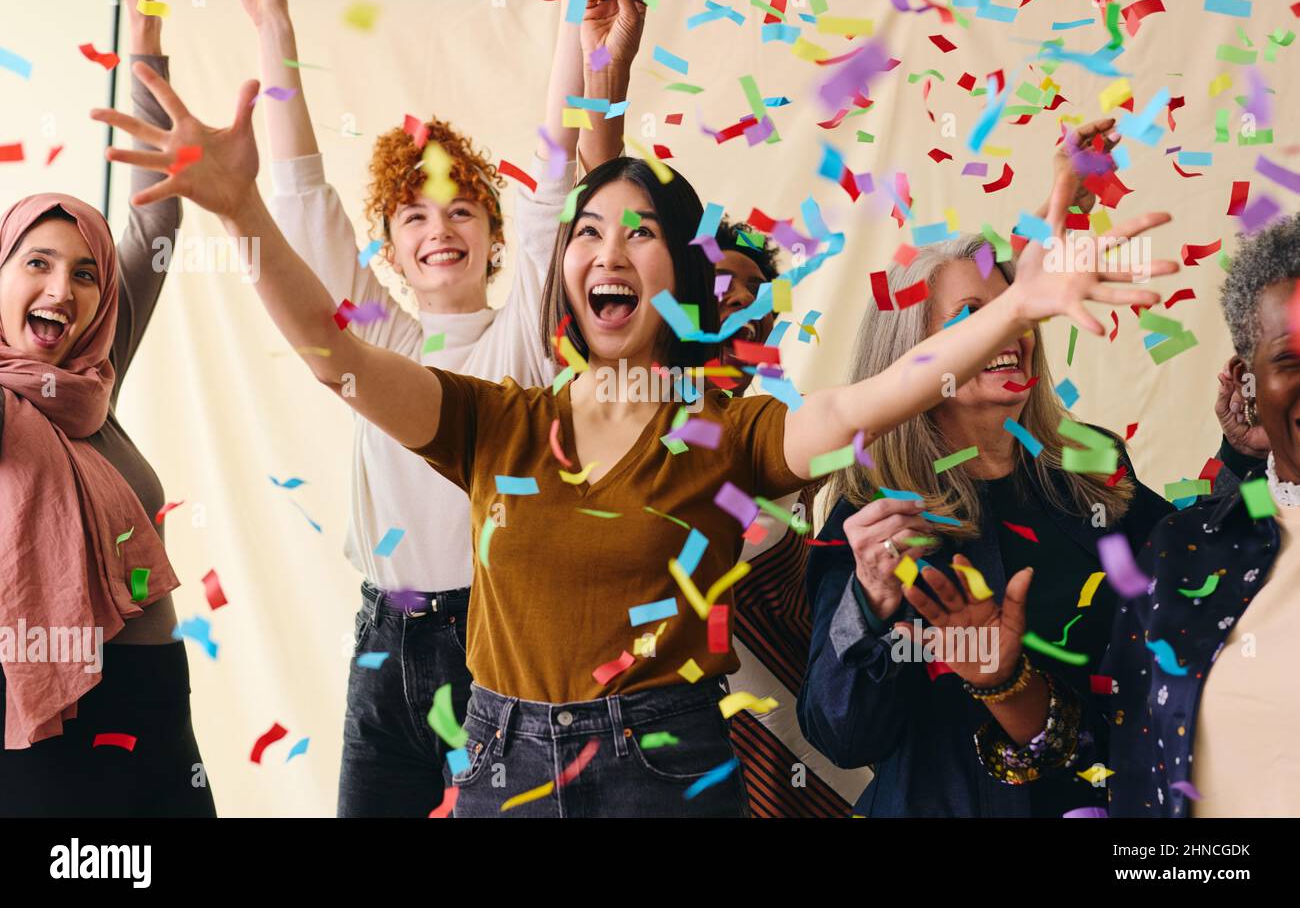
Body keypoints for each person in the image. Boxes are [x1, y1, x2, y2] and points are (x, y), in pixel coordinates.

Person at [92, 45, 1178, 815]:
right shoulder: (495, 420)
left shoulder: (723, 428)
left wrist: (1017, 304)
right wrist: (240, 212)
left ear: (681, 279)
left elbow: (866, 400)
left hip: (660, 770)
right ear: (566, 274)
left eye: (642, 232)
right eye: (589, 230)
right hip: (502, 766)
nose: (608, 245)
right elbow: (341, 359)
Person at [223, 0, 644, 816]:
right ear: (389, 244)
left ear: (495, 235)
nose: (438, 228)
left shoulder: (524, 333)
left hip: (493, 645)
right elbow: (302, 201)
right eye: (414, 213)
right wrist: (274, 23)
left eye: (461, 209)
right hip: (382, 644)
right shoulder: (380, 341)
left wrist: (578, 12)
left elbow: (555, 165)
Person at [927, 212, 1300, 817]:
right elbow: (839, 728)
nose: (1005, 335)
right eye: (974, 317)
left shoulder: (1091, 463)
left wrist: (1241, 455)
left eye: (1014, 314)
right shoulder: (875, 518)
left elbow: (1210, 552)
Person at [0, 0, 214, 819]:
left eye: (86, 273)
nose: (63, 291)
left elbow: (158, 217)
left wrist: (148, 38)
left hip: (158, 702)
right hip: (48, 722)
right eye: (37, 264)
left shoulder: (93, 373)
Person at [712, 220, 870, 817]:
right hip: (676, 751)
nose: (737, 299)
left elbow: (883, 416)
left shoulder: (786, 432)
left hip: (798, 748)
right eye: (720, 281)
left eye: (755, 291)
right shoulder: (616, 436)